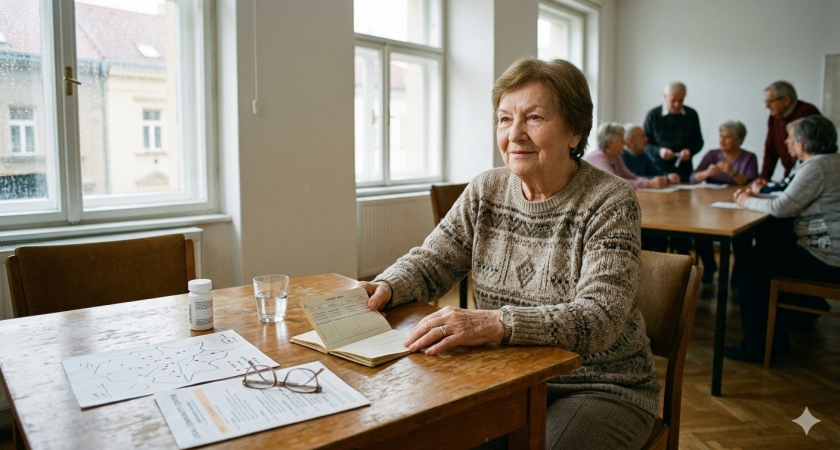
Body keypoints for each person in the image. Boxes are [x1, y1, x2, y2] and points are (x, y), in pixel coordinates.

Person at [358, 58, 659, 450]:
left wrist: (495, 324)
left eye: (533, 118)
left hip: (599, 386)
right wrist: (385, 286)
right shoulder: (487, 189)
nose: (515, 134)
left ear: (575, 131)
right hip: (507, 377)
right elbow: (432, 260)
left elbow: (599, 319)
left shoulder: (610, 201)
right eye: (504, 119)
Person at [727, 116, 840, 363]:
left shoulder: (816, 167)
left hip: (827, 256)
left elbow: (781, 207)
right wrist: (757, 197)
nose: (787, 142)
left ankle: (757, 346)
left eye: (791, 138)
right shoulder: (832, 161)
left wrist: (746, 200)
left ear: (802, 142)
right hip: (831, 252)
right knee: (769, 245)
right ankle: (775, 340)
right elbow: (789, 199)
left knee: (749, 265)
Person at [690, 121, 758, 283]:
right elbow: (693, 178)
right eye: (721, 136)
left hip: (737, 203)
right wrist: (707, 172)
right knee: (701, 231)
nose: (722, 141)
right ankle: (709, 266)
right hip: (711, 204)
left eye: (727, 137)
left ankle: (738, 273)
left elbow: (750, 180)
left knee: (742, 235)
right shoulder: (712, 155)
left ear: (739, 140)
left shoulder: (749, 157)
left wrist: (732, 172)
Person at [759, 81, 821, 182]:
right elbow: (770, 150)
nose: (767, 106)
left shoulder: (808, 112)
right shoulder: (773, 118)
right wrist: (764, 178)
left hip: (807, 175)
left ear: (786, 100)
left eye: (770, 102)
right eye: (766, 102)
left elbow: (815, 150)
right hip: (790, 175)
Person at [643, 81, 704, 183]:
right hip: (657, 170)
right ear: (665, 97)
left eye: (681, 100)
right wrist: (659, 151)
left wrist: (690, 151)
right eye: (673, 100)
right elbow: (644, 144)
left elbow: (699, 142)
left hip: (684, 171)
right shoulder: (653, 115)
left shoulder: (692, 114)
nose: (677, 104)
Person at [584, 122, 671, 189]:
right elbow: (614, 183)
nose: (625, 143)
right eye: (621, 140)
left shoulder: (615, 156)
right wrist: (648, 184)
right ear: (610, 142)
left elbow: (630, 176)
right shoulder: (598, 157)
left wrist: (651, 181)